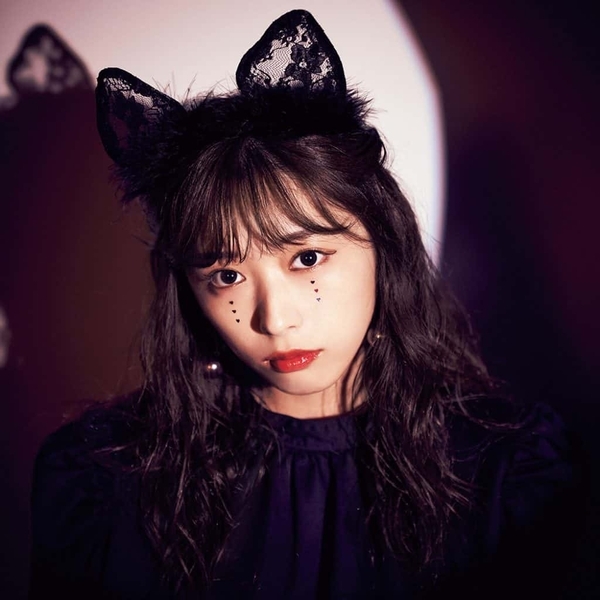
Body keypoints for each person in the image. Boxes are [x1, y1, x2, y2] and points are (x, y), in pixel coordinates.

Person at [29, 10, 578, 599]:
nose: (275, 319)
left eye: (307, 258)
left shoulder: (505, 473)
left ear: (382, 243)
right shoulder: (106, 482)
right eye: (227, 275)